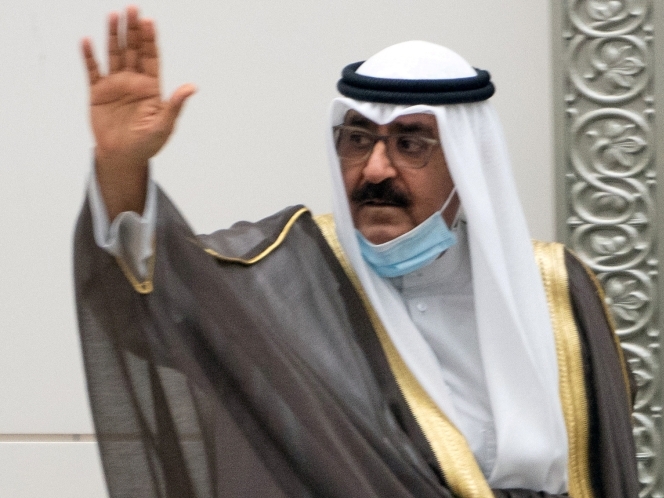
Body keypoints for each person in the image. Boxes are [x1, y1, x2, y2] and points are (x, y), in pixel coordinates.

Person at [75, 6, 638, 498]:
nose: (374, 169)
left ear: (468, 164)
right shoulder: (283, 277)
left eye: (410, 144)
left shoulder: (555, 289)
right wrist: (122, 168)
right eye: (357, 138)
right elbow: (152, 300)